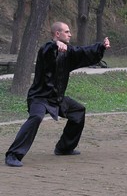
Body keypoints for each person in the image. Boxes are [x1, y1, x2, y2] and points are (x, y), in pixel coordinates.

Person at [5, 21, 111, 167]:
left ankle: (64, 147)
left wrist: (100, 46)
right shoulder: (46, 50)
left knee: (78, 111)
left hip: (57, 99)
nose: (70, 34)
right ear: (57, 34)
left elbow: (83, 52)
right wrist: (55, 45)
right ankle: (13, 155)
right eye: (67, 32)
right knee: (36, 117)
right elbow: (47, 49)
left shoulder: (69, 52)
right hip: (40, 98)